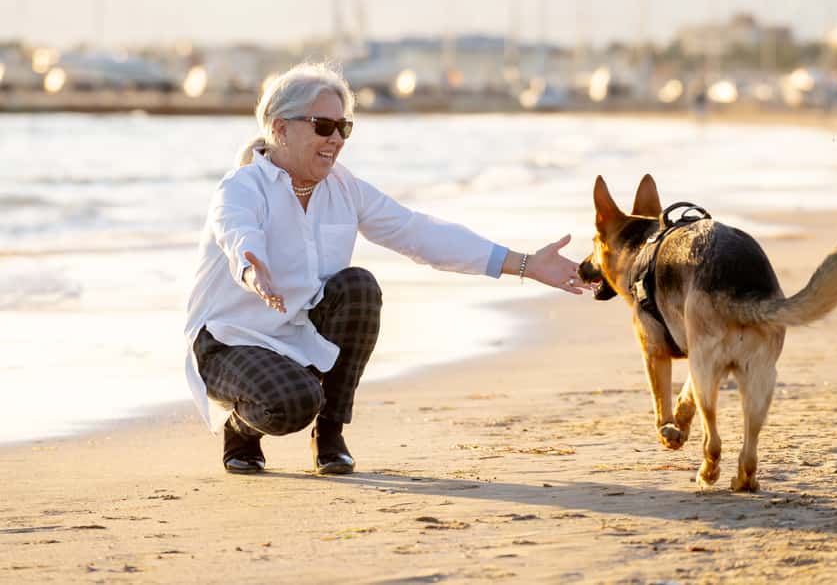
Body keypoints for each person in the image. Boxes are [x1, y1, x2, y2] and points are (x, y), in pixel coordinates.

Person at [184, 62, 584, 475]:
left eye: (344, 128)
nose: (336, 139)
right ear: (280, 129)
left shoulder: (344, 187)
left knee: (359, 287)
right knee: (292, 403)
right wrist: (252, 268)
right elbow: (236, 230)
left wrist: (525, 264)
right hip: (228, 341)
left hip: (297, 334)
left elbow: (418, 233)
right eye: (323, 126)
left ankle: (331, 433)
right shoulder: (241, 186)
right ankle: (240, 428)